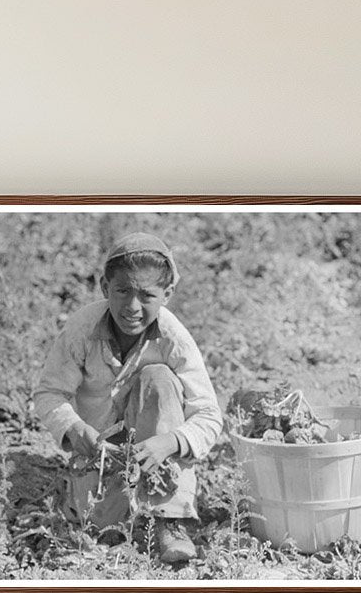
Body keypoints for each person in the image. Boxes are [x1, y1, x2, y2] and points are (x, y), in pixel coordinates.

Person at [33, 232, 223, 564]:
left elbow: (208, 414)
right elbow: (50, 392)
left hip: (155, 456)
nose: (132, 307)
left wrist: (169, 442)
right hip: (101, 452)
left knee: (159, 377)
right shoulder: (82, 329)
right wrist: (76, 430)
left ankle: (168, 520)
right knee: (102, 527)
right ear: (105, 287)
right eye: (122, 291)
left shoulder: (173, 337)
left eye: (146, 295)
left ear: (167, 294)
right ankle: (106, 503)